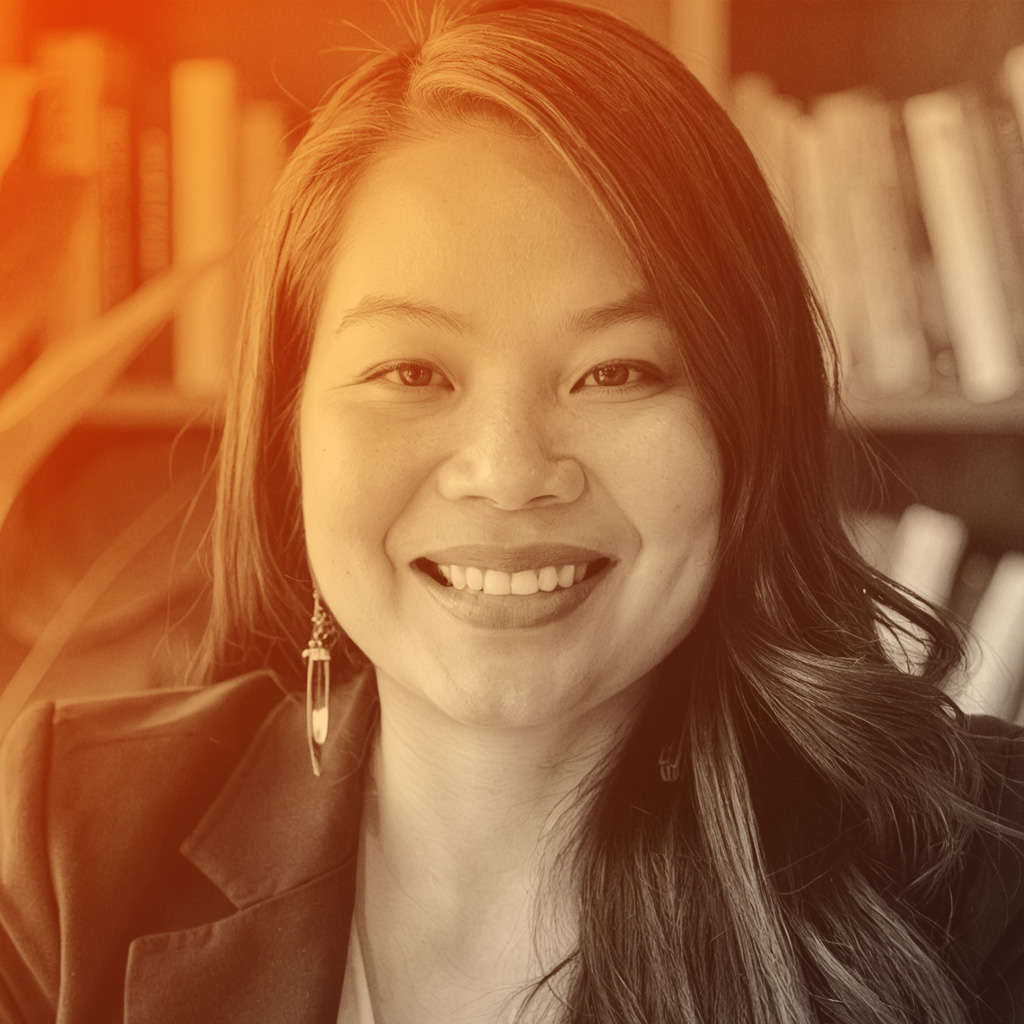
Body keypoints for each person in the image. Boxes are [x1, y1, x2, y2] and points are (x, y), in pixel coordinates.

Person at [2, 1, 1023, 1021]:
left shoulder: (977, 871)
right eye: (411, 369)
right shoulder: (63, 847)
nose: (507, 470)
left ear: (743, 427)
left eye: (616, 371)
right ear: (288, 432)